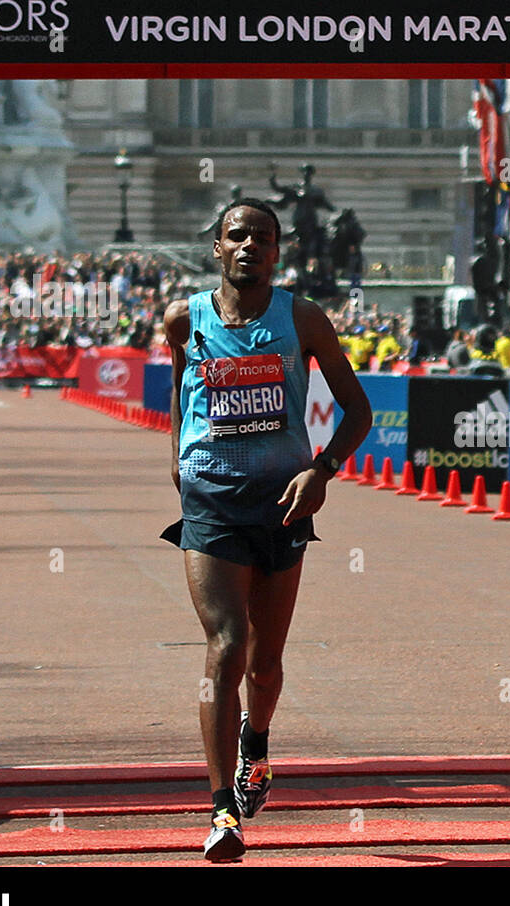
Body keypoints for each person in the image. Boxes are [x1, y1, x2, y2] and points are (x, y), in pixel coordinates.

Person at [162, 198, 371, 862]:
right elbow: (180, 391)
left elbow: (357, 410)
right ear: (217, 247)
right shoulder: (183, 319)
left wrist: (323, 471)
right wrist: (179, 463)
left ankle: (257, 743)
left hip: (284, 503)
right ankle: (224, 809)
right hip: (212, 504)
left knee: (266, 661)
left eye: (264, 237)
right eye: (237, 234)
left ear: (278, 253)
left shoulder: (302, 319)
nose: (250, 244)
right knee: (225, 647)